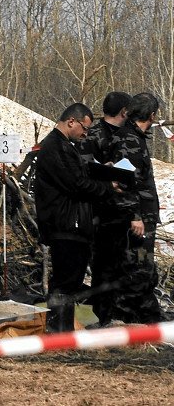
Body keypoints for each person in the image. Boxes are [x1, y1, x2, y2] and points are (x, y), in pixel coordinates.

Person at [35, 103, 118, 332]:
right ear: (71, 121)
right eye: (84, 128)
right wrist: (108, 186)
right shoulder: (55, 147)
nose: (85, 134)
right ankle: (58, 331)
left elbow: (79, 175)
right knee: (65, 280)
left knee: (71, 280)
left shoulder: (66, 147)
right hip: (65, 223)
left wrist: (103, 171)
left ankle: (63, 330)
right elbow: (76, 184)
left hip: (73, 223)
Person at [99, 92, 163, 324]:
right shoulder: (130, 140)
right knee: (138, 270)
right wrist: (135, 216)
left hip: (140, 216)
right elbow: (123, 182)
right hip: (136, 219)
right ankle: (128, 319)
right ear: (152, 115)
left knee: (142, 269)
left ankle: (144, 319)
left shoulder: (130, 137)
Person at [79, 91, 131, 324]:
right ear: (124, 111)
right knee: (103, 266)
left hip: (120, 210)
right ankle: (103, 316)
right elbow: (85, 171)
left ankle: (115, 312)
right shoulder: (95, 135)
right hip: (101, 211)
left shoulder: (122, 134)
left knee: (119, 265)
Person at [79, 91, 132, 163]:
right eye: (130, 111)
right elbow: (84, 169)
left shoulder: (130, 135)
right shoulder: (90, 137)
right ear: (124, 111)